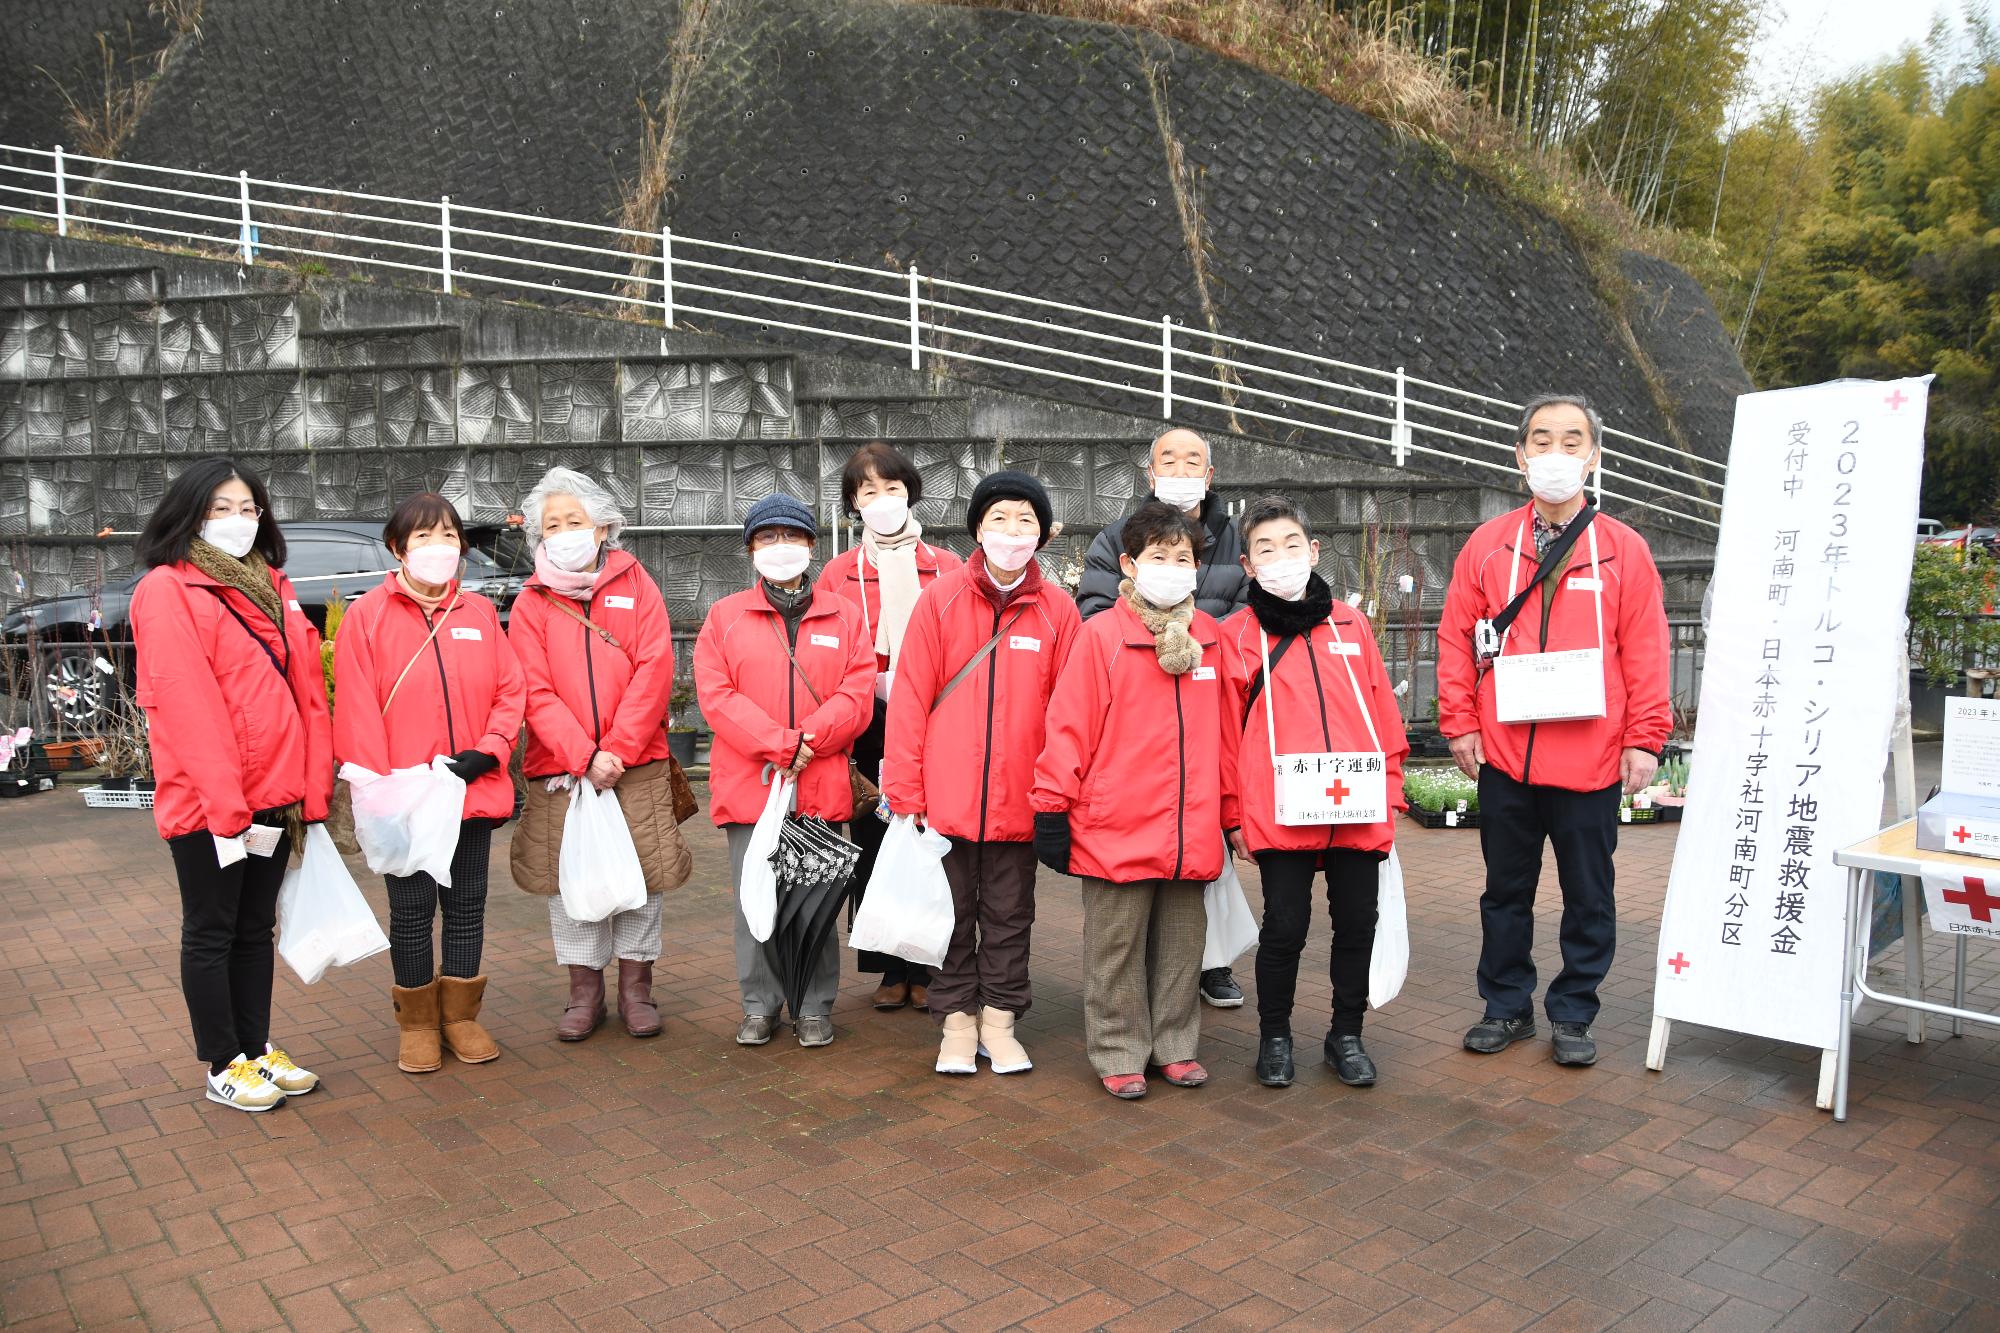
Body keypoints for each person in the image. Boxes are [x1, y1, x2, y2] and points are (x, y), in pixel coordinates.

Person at [1437, 394, 1670, 1068]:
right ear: (1520, 455)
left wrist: (1644, 737)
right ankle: (1506, 1005)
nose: (1556, 454)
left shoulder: (1623, 548)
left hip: (1591, 758)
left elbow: (1647, 649)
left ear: (1593, 455)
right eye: (1542, 440)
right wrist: (1458, 722)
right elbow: (1457, 638)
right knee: (1504, 891)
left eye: (1572, 441)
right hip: (1507, 753)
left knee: (1589, 895)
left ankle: (1573, 1011)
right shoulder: (1489, 544)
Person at [129, 459, 334, 1112]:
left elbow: (305, 693)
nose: (239, 520)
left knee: (254, 928)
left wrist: (310, 786)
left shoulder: (270, 583)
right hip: (212, 805)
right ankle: (224, 1061)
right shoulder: (168, 590)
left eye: (249, 508)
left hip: (273, 794)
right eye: (221, 508)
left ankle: (256, 1045)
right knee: (213, 928)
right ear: (188, 513)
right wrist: (226, 809)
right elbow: (185, 708)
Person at [1032, 500, 1241, 1100]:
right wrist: (1053, 805)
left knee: (1182, 945)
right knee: (1115, 948)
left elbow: (1227, 735)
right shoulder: (1102, 636)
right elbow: (1068, 726)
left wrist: (1231, 814)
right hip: (1114, 823)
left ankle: (1174, 1046)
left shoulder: (1210, 638)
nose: (1173, 567)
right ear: (1130, 562)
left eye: (1184, 558)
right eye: (1159, 556)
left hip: (1188, 825)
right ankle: (1120, 1049)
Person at [885, 471, 1081, 1076]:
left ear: (1043, 534)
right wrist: (906, 790)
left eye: (1026, 520)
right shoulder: (939, 599)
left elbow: (1070, 712)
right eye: (999, 518)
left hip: (1019, 802)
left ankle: (999, 1021)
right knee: (949, 915)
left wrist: (1055, 796)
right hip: (944, 800)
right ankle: (955, 1023)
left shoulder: (1058, 611)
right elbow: (911, 697)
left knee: (1008, 916)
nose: (1011, 531)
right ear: (977, 527)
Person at [1217, 496, 1409, 1088]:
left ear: (1314, 550)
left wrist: (1392, 791)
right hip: (1279, 811)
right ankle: (1275, 1036)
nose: (1281, 558)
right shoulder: (1237, 635)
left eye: (1291, 545)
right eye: (1266, 549)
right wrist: (1232, 818)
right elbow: (1224, 735)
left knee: (1357, 923)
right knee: (1286, 927)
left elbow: (1381, 710)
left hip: (1356, 806)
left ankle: (1345, 1035)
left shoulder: (1350, 624)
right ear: (1248, 565)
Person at [334, 493, 526, 1074]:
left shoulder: (477, 615)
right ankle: (417, 1022)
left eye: (448, 536)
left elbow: (509, 692)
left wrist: (488, 752)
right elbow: (357, 707)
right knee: (413, 907)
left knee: (467, 904)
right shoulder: (367, 615)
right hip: (405, 796)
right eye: (423, 538)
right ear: (398, 549)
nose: (438, 548)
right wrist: (387, 788)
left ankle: (461, 1016)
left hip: (470, 787)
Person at [506, 467, 693, 1042]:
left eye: (574, 520)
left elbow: (654, 670)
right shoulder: (531, 603)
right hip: (562, 770)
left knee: (642, 878)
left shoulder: (639, 586)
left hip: (634, 765)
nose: (563, 531)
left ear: (602, 526)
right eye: (552, 524)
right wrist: (582, 755)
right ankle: (582, 993)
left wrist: (616, 749)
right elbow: (532, 689)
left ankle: (637, 989)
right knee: (571, 883)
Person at [1076, 427, 1251, 1010]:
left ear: (1210, 473)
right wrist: (1163, 634)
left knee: (1199, 866)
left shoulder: (1234, 540)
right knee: (1136, 884)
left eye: (1193, 459)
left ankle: (1213, 965)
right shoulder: (1115, 538)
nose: (1181, 468)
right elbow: (1099, 611)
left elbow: (1250, 622)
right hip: (1137, 718)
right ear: (1150, 475)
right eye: (1168, 459)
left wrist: (1208, 645)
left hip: (1208, 703)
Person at [694, 494, 875, 1048]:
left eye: (791, 536)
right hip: (755, 784)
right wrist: (779, 744)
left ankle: (815, 1004)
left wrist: (809, 741)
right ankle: (760, 1003)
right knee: (757, 900)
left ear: (812, 546)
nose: (780, 548)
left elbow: (858, 691)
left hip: (818, 782)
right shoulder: (725, 617)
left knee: (815, 900)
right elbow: (716, 696)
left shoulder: (844, 616)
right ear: (750, 548)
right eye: (767, 538)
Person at [818, 442, 962, 1011]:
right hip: (867, 718)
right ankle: (886, 966)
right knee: (873, 837)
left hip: (934, 717)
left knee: (933, 837)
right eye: (868, 491)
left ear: (911, 494)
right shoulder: (837, 573)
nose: (882, 501)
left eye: (893, 489)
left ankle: (928, 961)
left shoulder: (946, 566)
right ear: (854, 503)